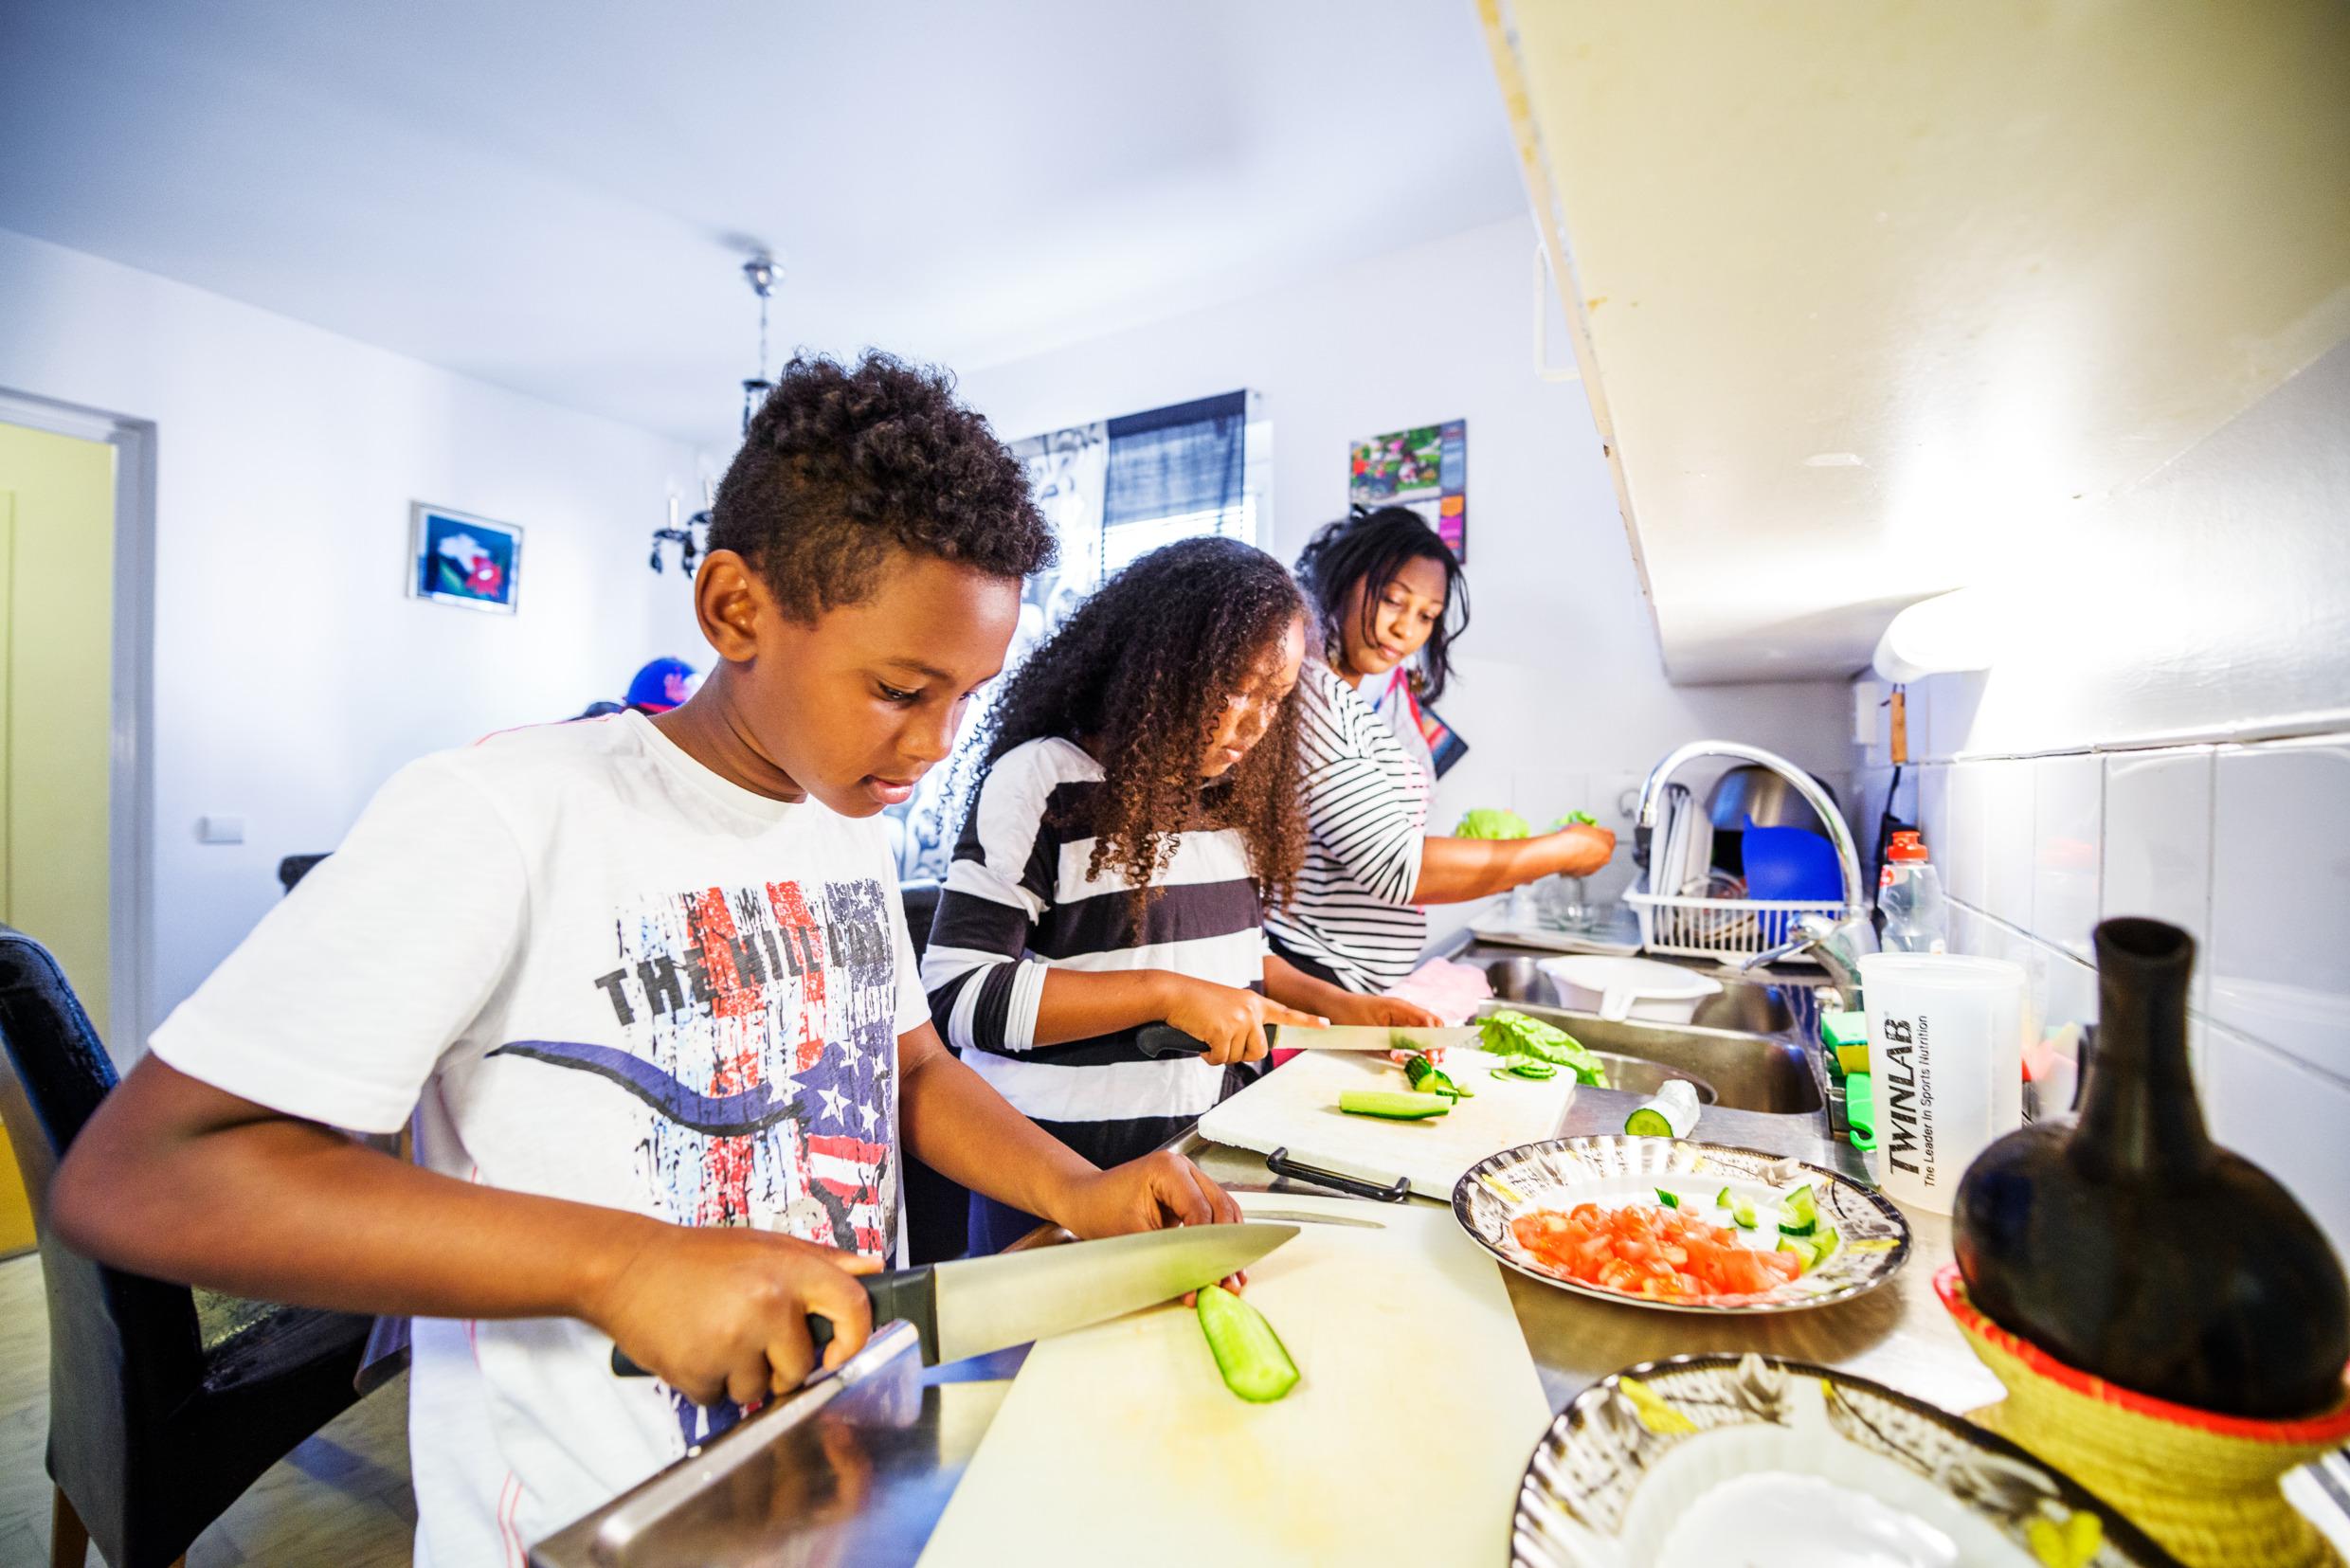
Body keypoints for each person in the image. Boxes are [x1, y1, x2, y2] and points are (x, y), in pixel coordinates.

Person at [48, 352, 1248, 1561]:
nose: (935, 743)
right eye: (898, 688)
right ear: (734, 609)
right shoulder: (501, 812)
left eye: (965, 697)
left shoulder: (845, 823)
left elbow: (916, 1068)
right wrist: (623, 1263)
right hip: (578, 1518)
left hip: (818, 1482)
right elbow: (141, 1174)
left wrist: (1073, 1187)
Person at [923, 537, 1437, 1255]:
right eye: (1243, 689)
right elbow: (958, 995)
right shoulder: (1041, 781)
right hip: (1052, 1181)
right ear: (1166, 663)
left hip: (1197, 1155)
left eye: (1277, 700)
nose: (1259, 725)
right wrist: (1164, 993)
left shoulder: (1232, 801)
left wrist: (1336, 1004)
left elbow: (1227, 960)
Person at [1264, 506, 1616, 996]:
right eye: (1392, 600)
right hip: (1316, 973)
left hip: (1353, 979)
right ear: (1342, 580)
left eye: (1427, 615)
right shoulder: (1315, 698)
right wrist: (1562, 850)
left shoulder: (1359, 705)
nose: (1405, 629)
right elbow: (1397, 868)